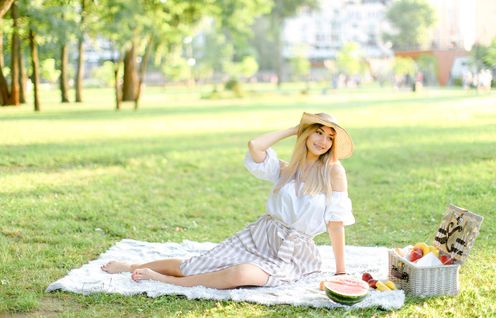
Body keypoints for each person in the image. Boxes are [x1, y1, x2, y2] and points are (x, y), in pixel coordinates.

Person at [101, 112, 355, 289]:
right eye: (318, 133)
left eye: (330, 137)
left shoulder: (334, 171)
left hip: (293, 252)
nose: (323, 141)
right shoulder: (286, 169)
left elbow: (336, 223)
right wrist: (293, 130)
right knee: (195, 265)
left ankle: (168, 281)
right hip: (261, 235)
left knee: (242, 274)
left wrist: (341, 271)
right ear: (306, 135)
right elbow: (255, 146)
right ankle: (132, 265)